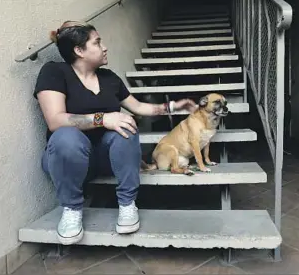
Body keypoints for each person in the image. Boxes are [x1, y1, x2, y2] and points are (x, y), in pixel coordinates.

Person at [33, 20, 197, 245]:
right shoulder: (54, 72)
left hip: (107, 159)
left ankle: (128, 204)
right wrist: (104, 118)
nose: (105, 47)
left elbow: (138, 107)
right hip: (68, 157)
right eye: (97, 42)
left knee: (126, 123)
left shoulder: (109, 78)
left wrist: (172, 107)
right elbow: (55, 120)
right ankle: (71, 209)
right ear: (79, 50)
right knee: (66, 135)